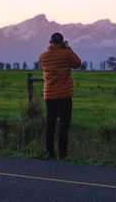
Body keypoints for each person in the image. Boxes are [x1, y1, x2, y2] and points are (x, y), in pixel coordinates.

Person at [39, 32, 81, 160]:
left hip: (49, 94)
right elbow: (77, 63)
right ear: (62, 42)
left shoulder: (43, 57)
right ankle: (62, 154)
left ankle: (50, 153)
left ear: (50, 42)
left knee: (50, 124)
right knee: (64, 124)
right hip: (64, 94)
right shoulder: (66, 53)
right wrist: (67, 48)